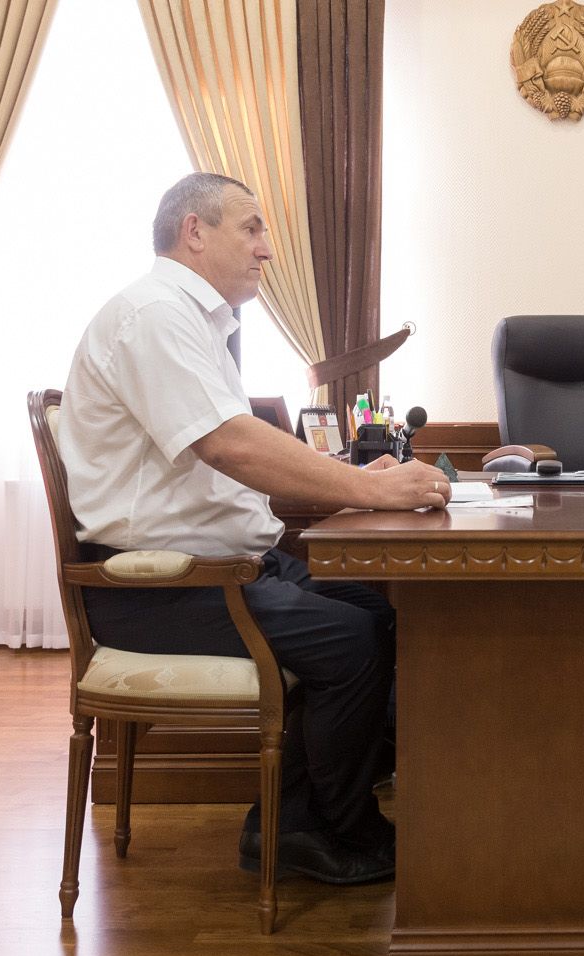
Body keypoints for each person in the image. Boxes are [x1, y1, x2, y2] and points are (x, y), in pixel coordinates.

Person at [59, 172, 450, 886]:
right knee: (352, 641)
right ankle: (328, 829)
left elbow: (230, 448)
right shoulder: (155, 315)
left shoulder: (190, 321)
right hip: (158, 586)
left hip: (220, 569)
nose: (267, 249)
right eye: (251, 228)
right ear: (194, 232)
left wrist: (347, 479)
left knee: (382, 610)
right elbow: (228, 445)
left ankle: (291, 816)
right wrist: (368, 489)